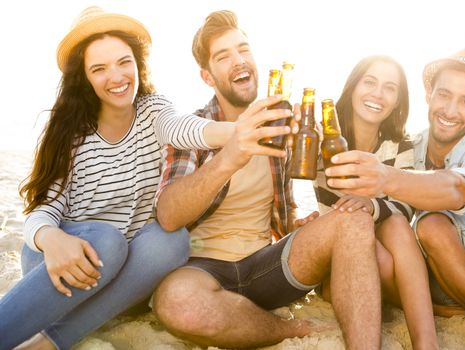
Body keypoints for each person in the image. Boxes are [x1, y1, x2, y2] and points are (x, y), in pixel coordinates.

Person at [0, 6, 290, 350]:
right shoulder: (67, 132)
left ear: (138, 64)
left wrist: (238, 131)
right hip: (60, 258)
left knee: (172, 241)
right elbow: (41, 209)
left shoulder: (153, 111)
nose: (117, 76)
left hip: (126, 275)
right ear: (85, 77)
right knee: (107, 241)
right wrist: (51, 239)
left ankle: (48, 342)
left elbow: (189, 129)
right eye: (100, 68)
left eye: (124, 62)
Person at [152, 10, 382, 349]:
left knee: (355, 221)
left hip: (265, 266)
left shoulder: (281, 124)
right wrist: (230, 155)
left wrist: (299, 226)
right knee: (179, 304)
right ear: (207, 76)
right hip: (202, 268)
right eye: (224, 56)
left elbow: (286, 206)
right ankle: (285, 329)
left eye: (243, 50)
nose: (239, 60)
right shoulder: (195, 129)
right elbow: (168, 214)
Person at [326, 43, 465, 348]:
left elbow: (457, 188)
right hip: (429, 275)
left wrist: (388, 177)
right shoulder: (406, 146)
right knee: (418, 228)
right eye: (444, 94)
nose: (449, 110)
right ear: (429, 93)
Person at [314, 55, 438, 349]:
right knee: (374, 241)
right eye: (369, 82)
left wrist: (371, 205)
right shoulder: (324, 136)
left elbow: (407, 205)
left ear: (398, 102)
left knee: (395, 223)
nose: (377, 94)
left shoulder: (401, 145)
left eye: (389, 88)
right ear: (353, 87)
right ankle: (430, 311)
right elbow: (290, 175)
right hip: (340, 255)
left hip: (384, 246)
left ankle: (426, 343)